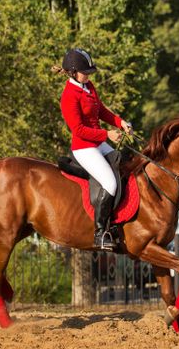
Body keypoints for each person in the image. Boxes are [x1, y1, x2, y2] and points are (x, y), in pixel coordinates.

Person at [56, 48, 133, 249]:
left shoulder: (88, 86)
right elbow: (79, 130)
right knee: (110, 183)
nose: (89, 75)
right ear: (73, 72)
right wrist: (107, 134)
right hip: (84, 148)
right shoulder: (69, 96)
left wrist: (120, 122)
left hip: (99, 144)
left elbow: (101, 111)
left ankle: (117, 222)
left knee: (125, 166)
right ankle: (100, 233)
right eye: (85, 72)